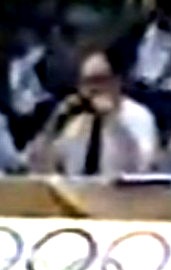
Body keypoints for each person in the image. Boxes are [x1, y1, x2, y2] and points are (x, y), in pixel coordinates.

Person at [28, 50, 158, 176]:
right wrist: (55, 122)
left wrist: (112, 120)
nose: (92, 88)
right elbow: (38, 166)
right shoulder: (74, 119)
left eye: (99, 80)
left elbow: (140, 167)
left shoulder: (137, 116)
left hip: (117, 188)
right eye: (86, 82)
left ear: (116, 81)